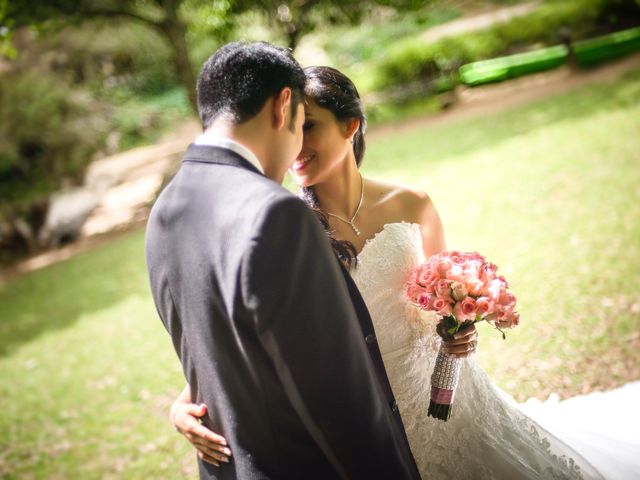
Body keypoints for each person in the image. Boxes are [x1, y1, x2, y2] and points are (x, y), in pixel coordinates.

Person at [172, 65, 640, 479]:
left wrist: (460, 332)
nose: (295, 143)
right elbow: (251, 334)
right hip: (366, 416)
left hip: (447, 397)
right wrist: (185, 400)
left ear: (350, 125)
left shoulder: (411, 204)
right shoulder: (287, 228)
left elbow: (448, 300)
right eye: (293, 127)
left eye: (309, 126)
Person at [145, 43, 426, 480]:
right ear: (283, 107)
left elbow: (223, 346)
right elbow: (338, 401)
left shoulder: (166, 211)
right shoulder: (275, 213)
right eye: (302, 124)